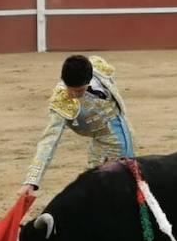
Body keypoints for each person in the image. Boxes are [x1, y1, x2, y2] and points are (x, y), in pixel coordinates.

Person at [18, 55, 136, 199]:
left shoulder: (98, 67)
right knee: (103, 194)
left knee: (129, 186)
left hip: (128, 135)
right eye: (70, 89)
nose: (74, 95)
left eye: (79, 91)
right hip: (103, 151)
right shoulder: (62, 100)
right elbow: (48, 141)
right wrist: (31, 180)